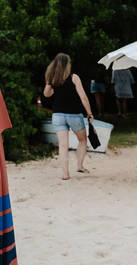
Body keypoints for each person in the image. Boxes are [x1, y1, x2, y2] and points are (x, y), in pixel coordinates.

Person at [42, 53, 94, 181]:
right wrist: (89, 113)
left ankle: (65, 174)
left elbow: (46, 94)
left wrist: (49, 82)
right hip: (74, 115)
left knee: (63, 145)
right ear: (67, 64)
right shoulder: (73, 77)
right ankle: (80, 166)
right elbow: (83, 97)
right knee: (82, 140)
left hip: (58, 115)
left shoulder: (54, 79)